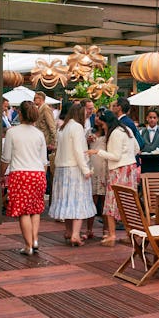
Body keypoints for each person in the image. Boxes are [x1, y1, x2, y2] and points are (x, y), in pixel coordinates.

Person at [87, 109, 139, 246]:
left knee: (111, 203)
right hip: (130, 169)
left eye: (103, 125)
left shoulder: (115, 133)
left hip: (118, 170)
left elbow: (115, 156)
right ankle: (130, 235)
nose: (103, 128)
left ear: (107, 123)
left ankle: (112, 235)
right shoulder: (126, 129)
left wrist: (98, 152)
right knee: (128, 203)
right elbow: (137, 148)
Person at [2, 100, 47, 255]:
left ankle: (28, 246)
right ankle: (34, 240)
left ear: (20, 113)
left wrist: (1, 175)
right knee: (35, 209)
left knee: (23, 211)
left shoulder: (12, 132)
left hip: (20, 174)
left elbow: (6, 158)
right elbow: (44, 160)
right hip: (38, 173)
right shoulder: (39, 134)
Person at [49, 102, 97, 245]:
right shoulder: (77, 127)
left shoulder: (62, 128)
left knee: (66, 202)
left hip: (62, 169)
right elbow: (79, 151)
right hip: (74, 169)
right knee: (77, 201)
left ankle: (69, 231)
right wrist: (86, 170)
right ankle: (75, 235)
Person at [86, 109, 110, 240]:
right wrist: (87, 141)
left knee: (105, 201)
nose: (97, 119)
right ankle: (89, 229)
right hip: (93, 168)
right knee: (92, 199)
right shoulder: (90, 131)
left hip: (105, 168)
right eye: (96, 116)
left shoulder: (109, 133)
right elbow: (84, 149)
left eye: (99, 117)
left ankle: (106, 229)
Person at [138, 108, 159, 173]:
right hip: (145, 164)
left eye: (154, 118)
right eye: (150, 117)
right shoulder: (141, 132)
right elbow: (137, 146)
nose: (152, 119)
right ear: (147, 118)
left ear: (157, 119)